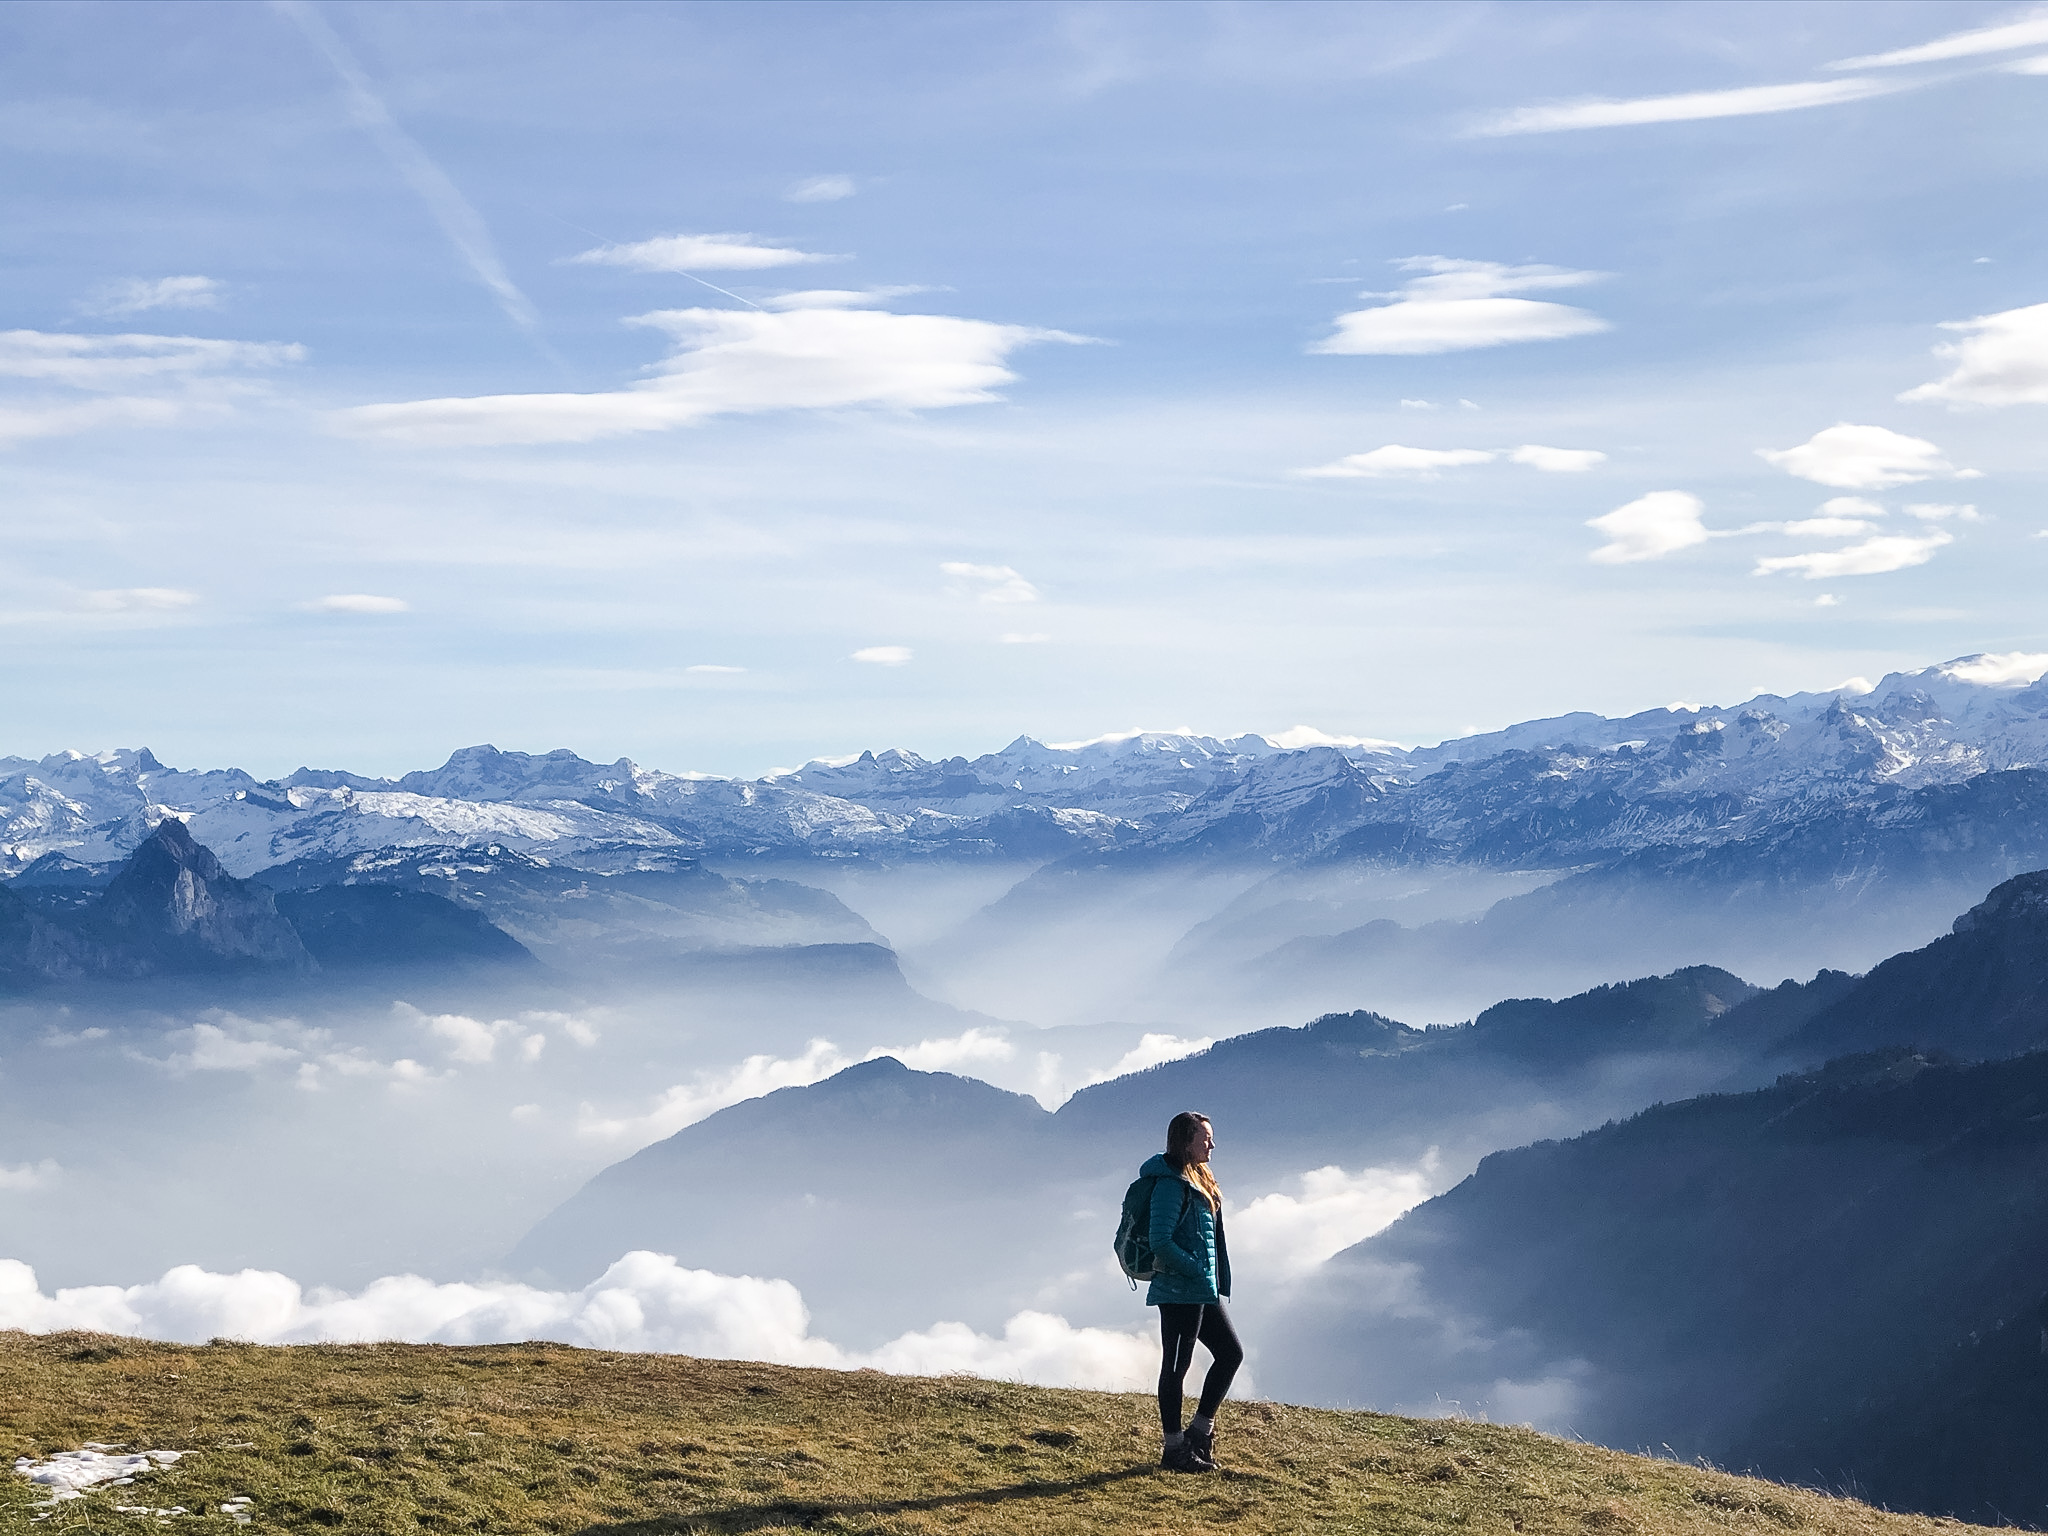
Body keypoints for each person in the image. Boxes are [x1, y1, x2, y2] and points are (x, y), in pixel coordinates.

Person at [1138, 1110, 1242, 1473]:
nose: (1211, 1143)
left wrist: (1207, 1278)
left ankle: (1199, 1433)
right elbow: (1160, 1241)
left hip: (1200, 1290)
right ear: (1185, 1141)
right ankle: (1174, 1450)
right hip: (1180, 1291)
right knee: (1176, 1368)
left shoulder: (1197, 1177)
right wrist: (1198, 1270)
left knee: (1230, 1353)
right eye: (1205, 1138)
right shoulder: (1170, 1184)